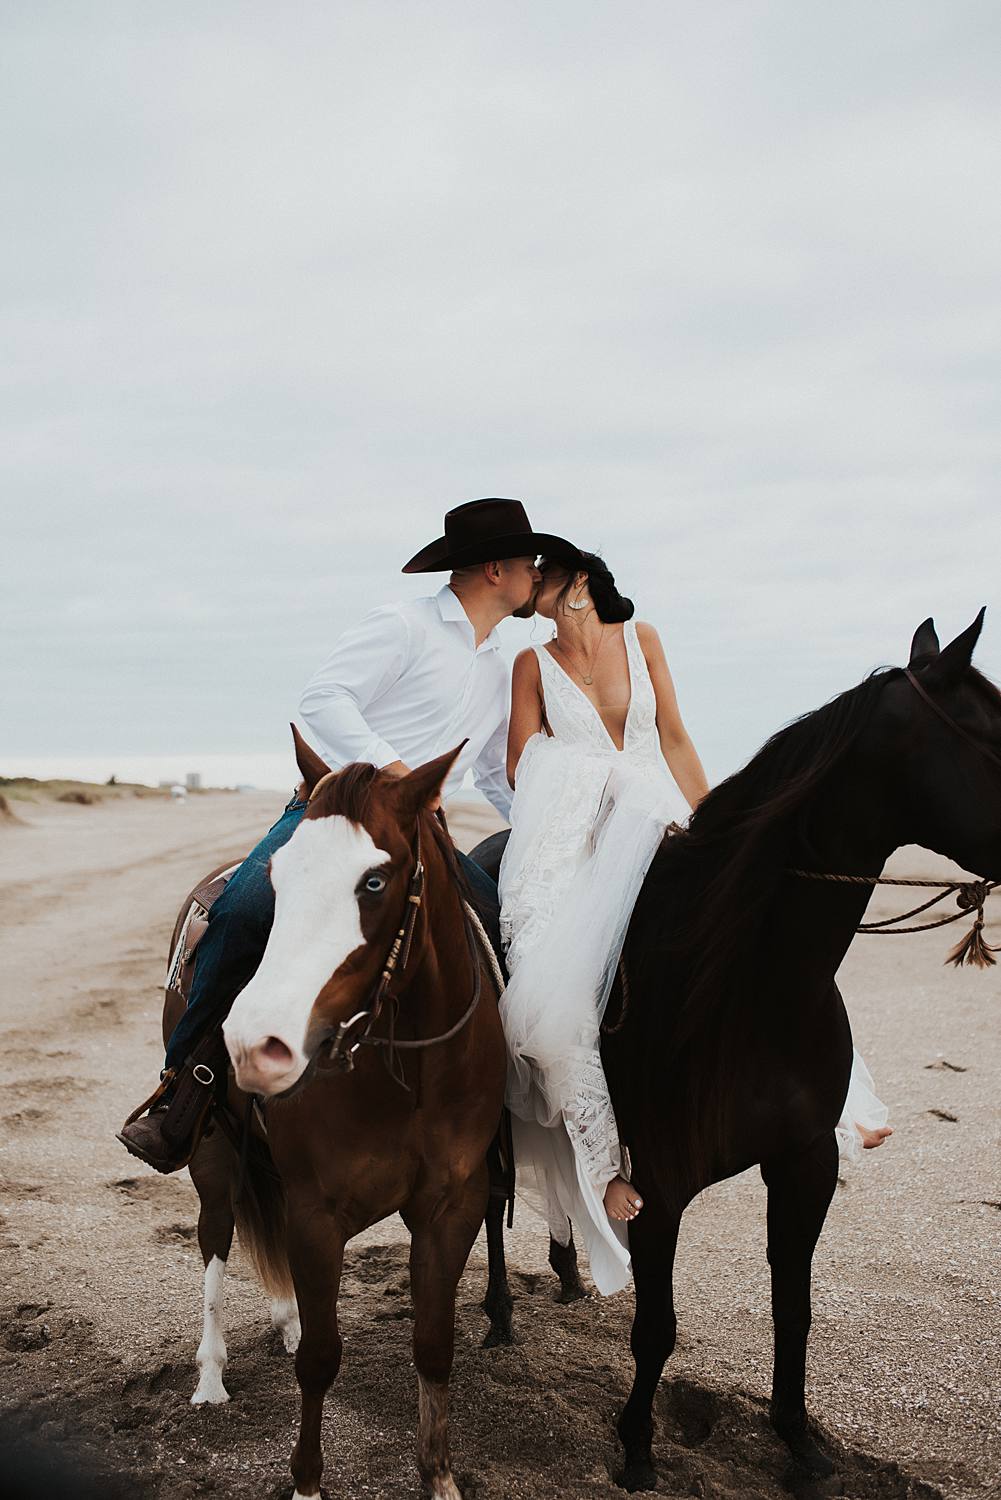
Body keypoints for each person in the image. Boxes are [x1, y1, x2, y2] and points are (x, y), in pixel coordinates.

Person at [117, 498, 581, 1172]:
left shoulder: (497, 663)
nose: (537, 576)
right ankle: (184, 1088)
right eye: (529, 564)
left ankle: (490, 1120)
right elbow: (322, 700)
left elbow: (487, 772)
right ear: (494, 569)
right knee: (245, 909)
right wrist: (395, 777)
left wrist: (547, 826)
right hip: (330, 817)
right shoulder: (402, 624)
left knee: (500, 934)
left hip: (418, 835)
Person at [498, 552, 890, 1297]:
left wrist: (719, 827)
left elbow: (671, 737)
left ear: (577, 581)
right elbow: (521, 765)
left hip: (656, 816)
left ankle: (840, 1101)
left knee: (758, 938)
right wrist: (595, 778)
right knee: (553, 998)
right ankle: (610, 1165)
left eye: (541, 577)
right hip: (573, 836)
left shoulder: (642, 639)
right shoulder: (530, 663)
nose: (529, 589)